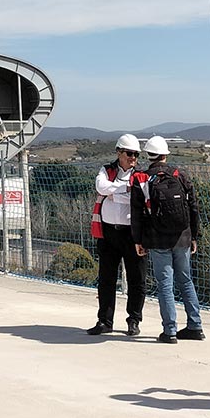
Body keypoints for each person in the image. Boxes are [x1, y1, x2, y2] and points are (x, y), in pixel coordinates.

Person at [130, 135, 204, 345]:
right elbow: (193, 208)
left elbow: (136, 214)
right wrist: (194, 236)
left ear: (148, 155)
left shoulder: (141, 179)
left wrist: (138, 240)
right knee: (186, 280)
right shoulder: (180, 175)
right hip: (182, 237)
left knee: (165, 284)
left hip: (156, 239)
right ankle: (195, 326)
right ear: (165, 154)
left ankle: (169, 331)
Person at [86, 134, 145, 336]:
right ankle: (104, 321)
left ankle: (134, 320)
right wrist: (125, 190)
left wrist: (113, 194)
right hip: (108, 232)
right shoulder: (106, 170)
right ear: (119, 152)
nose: (133, 158)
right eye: (129, 153)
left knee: (137, 279)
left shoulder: (141, 175)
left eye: (136, 154)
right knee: (106, 279)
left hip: (132, 234)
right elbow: (100, 187)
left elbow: (136, 198)